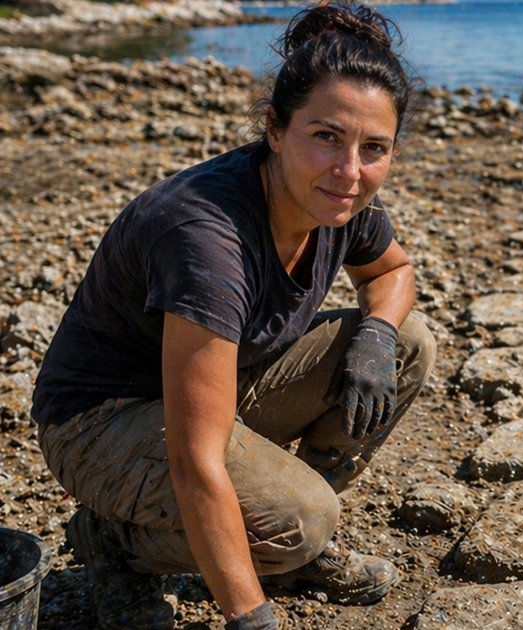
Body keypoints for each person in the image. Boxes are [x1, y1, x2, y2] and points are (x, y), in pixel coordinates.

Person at [30, 3, 435, 629]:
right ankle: (117, 545)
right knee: (297, 518)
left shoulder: (341, 201)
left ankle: (290, 548)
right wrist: (250, 617)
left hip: (210, 385)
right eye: (325, 136)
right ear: (275, 129)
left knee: (408, 340)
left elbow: (391, 272)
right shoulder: (207, 238)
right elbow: (198, 460)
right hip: (100, 419)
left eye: (373, 147)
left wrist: (377, 335)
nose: (350, 171)